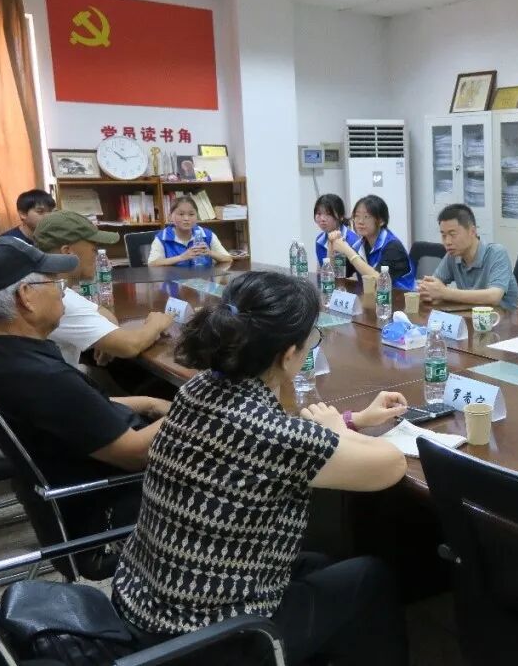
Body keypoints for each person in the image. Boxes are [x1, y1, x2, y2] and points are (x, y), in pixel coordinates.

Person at [112, 271, 409, 666]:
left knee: (321, 564)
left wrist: (352, 421)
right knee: (370, 577)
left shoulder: (199, 388)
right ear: (288, 355)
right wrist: (337, 431)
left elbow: (281, 438)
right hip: (208, 637)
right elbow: (391, 464)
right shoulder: (272, 435)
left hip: (143, 601)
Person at [0, 239, 165, 575]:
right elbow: (136, 454)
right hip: (111, 515)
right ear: (26, 296)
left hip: (76, 494)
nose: (63, 292)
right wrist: (196, 402)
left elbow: (74, 411)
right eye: (56, 284)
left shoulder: (7, 355)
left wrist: (150, 402)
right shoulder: (39, 375)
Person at [34, 211, 175, 366]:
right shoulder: (57, 300)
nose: (97, 256)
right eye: (94, 249)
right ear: (67, 252)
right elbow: (130, 346)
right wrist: (157, 323)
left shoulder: (44, 284)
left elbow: (99, 311)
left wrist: (104, 335)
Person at [418, 203, 518, 310]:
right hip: (468, 316)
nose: (447, 242)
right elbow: (435, 284)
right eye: (443, 235)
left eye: (453, 234)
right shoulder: (453, 255)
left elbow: (494, 296)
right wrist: (428, 291)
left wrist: (444, 293)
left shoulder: (497, 253)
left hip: (502, 318)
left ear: (472, 231)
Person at [326, 194, 415, 290]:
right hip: (371, 296)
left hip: (398, 297)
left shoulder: (393, 247)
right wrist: (331, 244)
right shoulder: (359, 245)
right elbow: (337, 275)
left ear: (381, 221)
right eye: (356, 216)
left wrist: (347, 250)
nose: (360, 221)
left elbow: (379, 281)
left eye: (366, 217)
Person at [147, 195, 232, 267]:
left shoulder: (207, 235)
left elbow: (228, 259)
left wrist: (209, 252)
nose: (186, 218)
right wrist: (181, 258)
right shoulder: (162, 237)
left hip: (204, 280)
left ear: (197, 216)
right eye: (181, 214)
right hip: (174, 280)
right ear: (170, 217)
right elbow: (152, 264)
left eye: (191, 214)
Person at [313, 193, 359, 266]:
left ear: (341, 216)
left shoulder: (354, 241)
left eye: (328, 214)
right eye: (319, 214)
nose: (322, 219)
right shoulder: (319, 240)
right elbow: (322, 269)